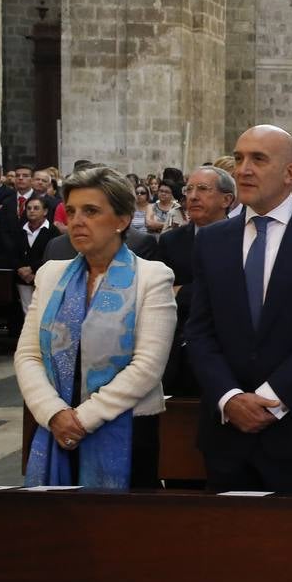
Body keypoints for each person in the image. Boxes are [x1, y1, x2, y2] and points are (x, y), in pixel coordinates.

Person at [185, 125, 292, 496]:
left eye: (258, 159)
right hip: (227, 434)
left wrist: (270, 398)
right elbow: (199, 331)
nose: (244, 169)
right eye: (239, 158)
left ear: (291, 174)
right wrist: (231, 399)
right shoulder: (213, 241)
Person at [17, 166, 177, 492]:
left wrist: (81, 420)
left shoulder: (152, 277)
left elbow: (147, 367)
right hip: (55, 425)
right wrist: (55, 414)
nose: (77, 221)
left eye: (91, 211)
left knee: (122, 533)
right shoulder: (51, 275)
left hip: (127, 429)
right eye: (72, 211)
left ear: (120, 220)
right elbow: (28, 355)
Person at [157, 166, 236, 397]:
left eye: (202, 189)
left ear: (226, 199)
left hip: (227, 350)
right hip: (178, 351)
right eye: (188, 189)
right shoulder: (171, 241)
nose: (192, 196)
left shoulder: (244, 239)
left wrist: (182, 292)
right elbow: (161, 294)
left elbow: (229, 295)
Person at [15, 195, 59, 314]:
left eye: (36, 208)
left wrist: (32, 270)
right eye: (29, 208)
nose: (31, 211)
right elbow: (12, 252)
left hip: (44, 278)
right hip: (22, 278)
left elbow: (53, 256)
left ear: (45, 211)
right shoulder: (19, 230)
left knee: (44, 312)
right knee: (27, 312)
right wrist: (21, 270)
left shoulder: (53, 231)